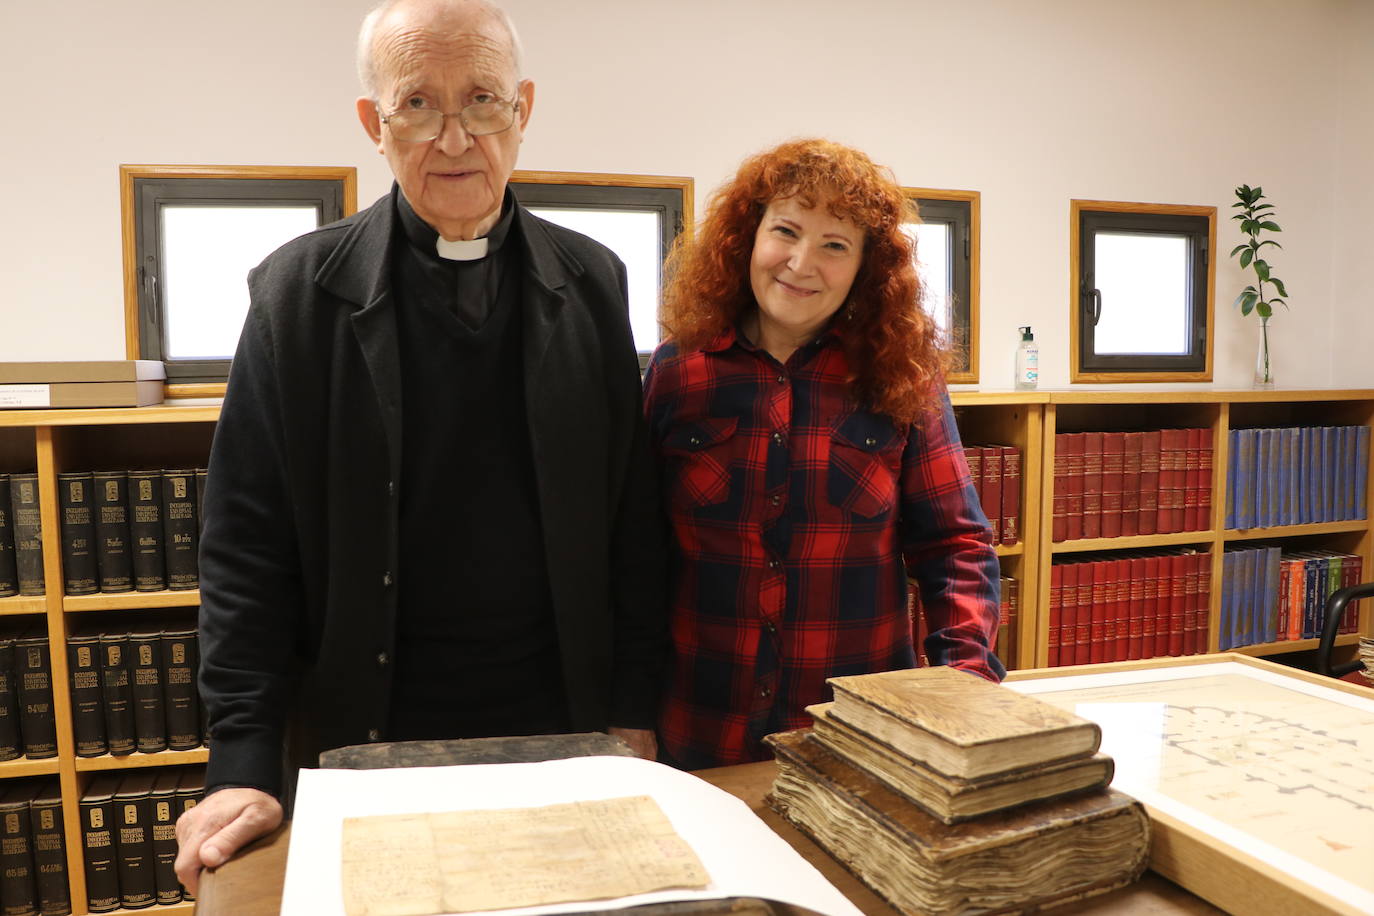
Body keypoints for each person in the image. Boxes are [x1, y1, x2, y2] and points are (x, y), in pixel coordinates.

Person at [174, 0, 667, 892]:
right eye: (417, 104)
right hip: (368, 732)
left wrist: (631, 708)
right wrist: (241, 760)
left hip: (561, 723)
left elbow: (631, 518)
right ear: (373, 122)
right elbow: (244, 547)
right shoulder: (295, 294)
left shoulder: (594, 280)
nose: (453, 138)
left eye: (481, 100)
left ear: (523, 110)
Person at [644, 139, 1005, 770]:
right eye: (785, 230)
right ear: (747, 235)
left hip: (857, 736)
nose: (801, 263)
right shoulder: (679, 371)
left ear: (866, 266)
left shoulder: (902, 378)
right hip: (700, 730)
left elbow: (956, 549)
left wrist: (961, 691)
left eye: (835, 244)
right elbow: (634, 549)